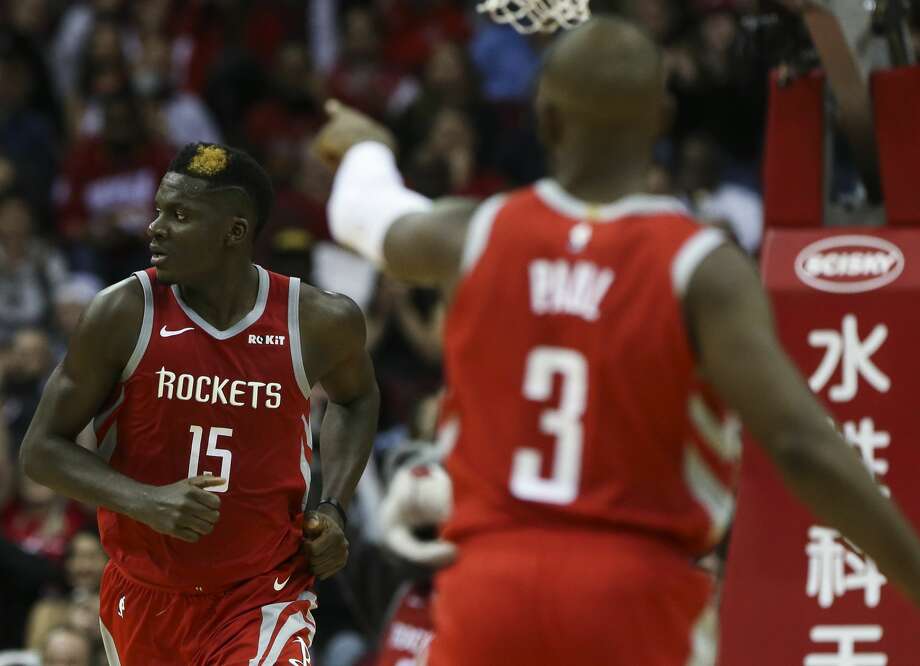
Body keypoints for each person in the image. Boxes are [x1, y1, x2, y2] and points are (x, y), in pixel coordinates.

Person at [313, 16, 920, 665]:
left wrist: (365, 146)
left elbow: (361, 213)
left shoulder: (476, 234)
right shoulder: (701, 268)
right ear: (662, 118)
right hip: (633, 595)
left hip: (491, 591)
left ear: (545, 119)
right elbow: (800, 446)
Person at [20, 142, 380, 664]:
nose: (155, 228)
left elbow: (357, 398)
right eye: (159, 210)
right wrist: (144, 500)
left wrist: (334, 506)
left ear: (234, 233)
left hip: (262, 591)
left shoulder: (317, 320)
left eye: (180, 215)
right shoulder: (122, 312)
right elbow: (40, 451)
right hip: (144, 593)